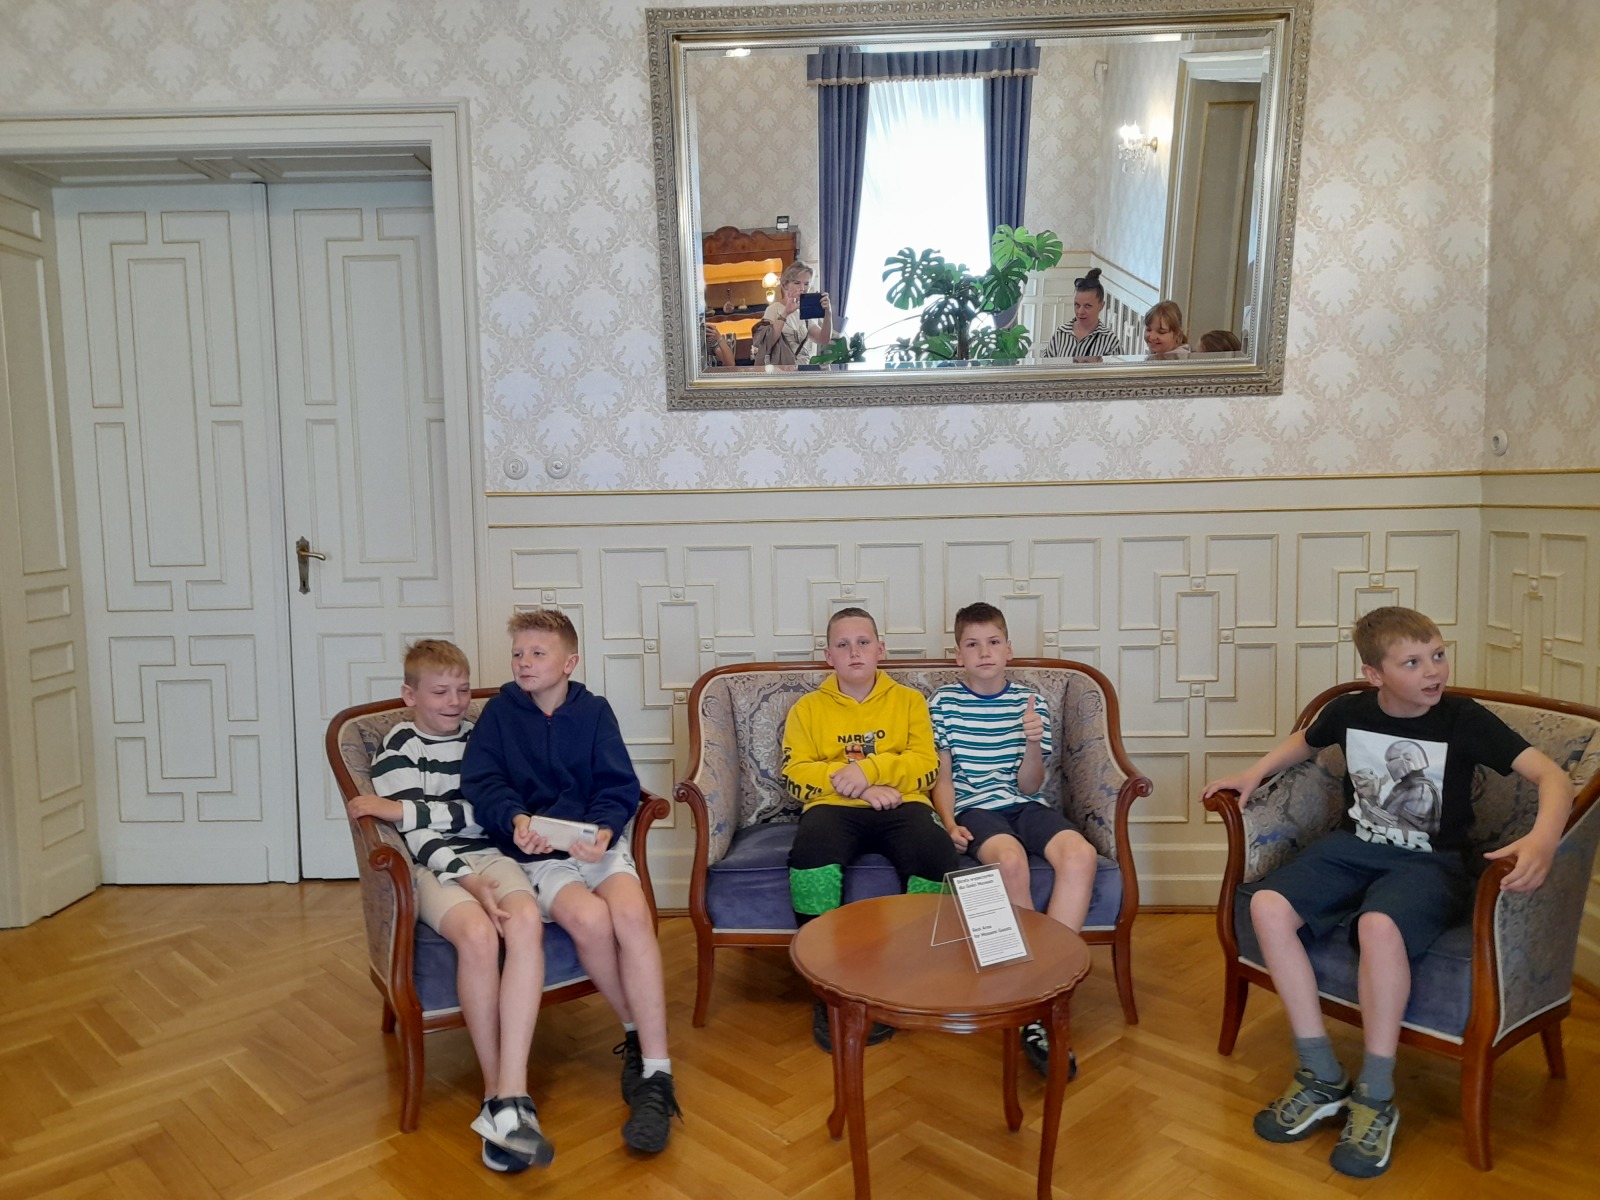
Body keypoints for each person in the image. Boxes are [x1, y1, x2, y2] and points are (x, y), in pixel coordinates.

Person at [1201, 606, 1574, 1179]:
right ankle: (1320, 1073)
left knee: (1379, 927)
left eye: (1438, 655)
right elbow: (1306, 741)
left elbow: (1554, 776)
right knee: (1269, 907)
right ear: (1374, 674)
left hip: (1433, 863)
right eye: (1413, 662)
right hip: (1354, 846)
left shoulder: (1463, 719)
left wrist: (1544, 840)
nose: (1434, 671)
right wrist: (1255, 772)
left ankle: (1375, 1095)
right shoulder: (1349, 711)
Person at [462, 610, 681, 1154]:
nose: (524, 662)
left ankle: (658, 1074)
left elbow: (618, 784)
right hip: (536, 854)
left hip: (593, 843)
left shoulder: (595, 711)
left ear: (569, 662)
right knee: (588, 917)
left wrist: (604, 830)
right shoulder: (498, 716)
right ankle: (634, 1030)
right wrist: (516, 820)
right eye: (518, 653)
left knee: (630, 913)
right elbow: (483, 783)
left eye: (538, 653)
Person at [347, 639, 553, 1174]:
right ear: (409, 695)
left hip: (491, 853)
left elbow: (489, 812)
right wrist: (465, 876)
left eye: (462, 690)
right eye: (440, 692)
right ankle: (494, 1095)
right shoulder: (398, 747)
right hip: (433, 866)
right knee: (479, 934)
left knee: (525, 921)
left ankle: (513, 1092)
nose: (456, 702)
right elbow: (418, 838)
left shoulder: (481, 737)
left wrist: (406, 810)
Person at [928, 603, 1099, 1079]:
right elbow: (942, 777)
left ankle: (1049, 986)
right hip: (974, 808)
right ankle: (1031, 1001)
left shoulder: (1030, 702)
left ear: (1008, 650)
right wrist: (948, 823)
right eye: (972, 644)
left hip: (1025, 805)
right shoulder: (943, 703)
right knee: (1009, 861)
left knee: (1081, 855)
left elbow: (1030, 785)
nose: (984, 652)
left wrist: (1032, 742)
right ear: (958, 655)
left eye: (993, 642)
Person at [783, 606, 958, 1049]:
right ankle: (825, 986)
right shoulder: (807, 708)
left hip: (903, 803)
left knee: (935, 852)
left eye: (863, 642)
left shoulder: (909, 701)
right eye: (842, 645)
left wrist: (871, 770)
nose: (854, 652)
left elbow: (926, 766)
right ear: (828, 656)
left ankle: (913, 976)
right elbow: (794, 774)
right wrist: (854, 785)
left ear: (881, 649)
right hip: (832, 806)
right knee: (810, 855)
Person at [752, 260, 832, 365]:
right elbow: (767, 342)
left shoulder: (804, 312)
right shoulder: (774, 309)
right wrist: (785, 313)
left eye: (806, 284)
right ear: (786, 285)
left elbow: (824, 339)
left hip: (803, 368)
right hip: (782, 369)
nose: (802, 288)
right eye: (797, 283)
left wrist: (828, 313)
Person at [1041, 267, 1124, 359]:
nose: (1080, 312)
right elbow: (1046, 364)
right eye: (1077, 305)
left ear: (1101, 306)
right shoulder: (1061, 333)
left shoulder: (1111, 342)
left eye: (1087, 306)